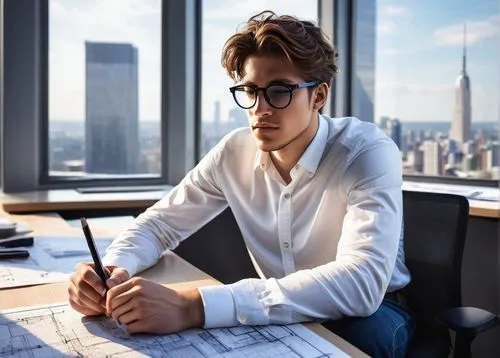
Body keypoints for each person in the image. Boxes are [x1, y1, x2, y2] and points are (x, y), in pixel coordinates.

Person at [68, 10, 414, 357]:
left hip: (372, 312)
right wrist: (111, 271)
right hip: (280, 310)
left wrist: (193, 306)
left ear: (319, 96)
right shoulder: (234, 151)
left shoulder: (366, 152)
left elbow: (361, 285)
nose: (260, 109)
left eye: (279, 91)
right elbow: (159, 225)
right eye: (250, 91)